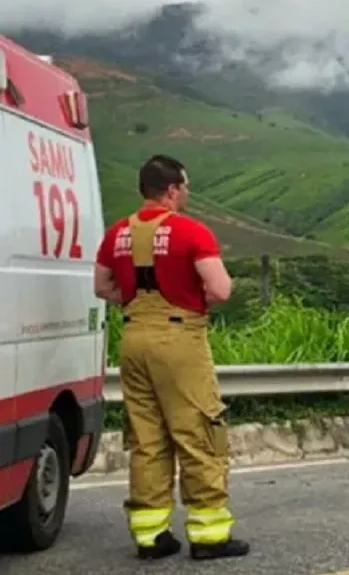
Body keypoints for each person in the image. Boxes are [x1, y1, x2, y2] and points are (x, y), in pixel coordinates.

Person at [93, 155, 249, 561]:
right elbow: (220, 289)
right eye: (186, 187)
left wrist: (136, 301)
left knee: (147, 439)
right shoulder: (190, 232)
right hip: (179, 340)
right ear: (173, 189)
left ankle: (150, 535)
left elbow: (102, 287)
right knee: (198, 432)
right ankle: (209, 534)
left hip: (133, 339)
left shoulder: (117, 234)